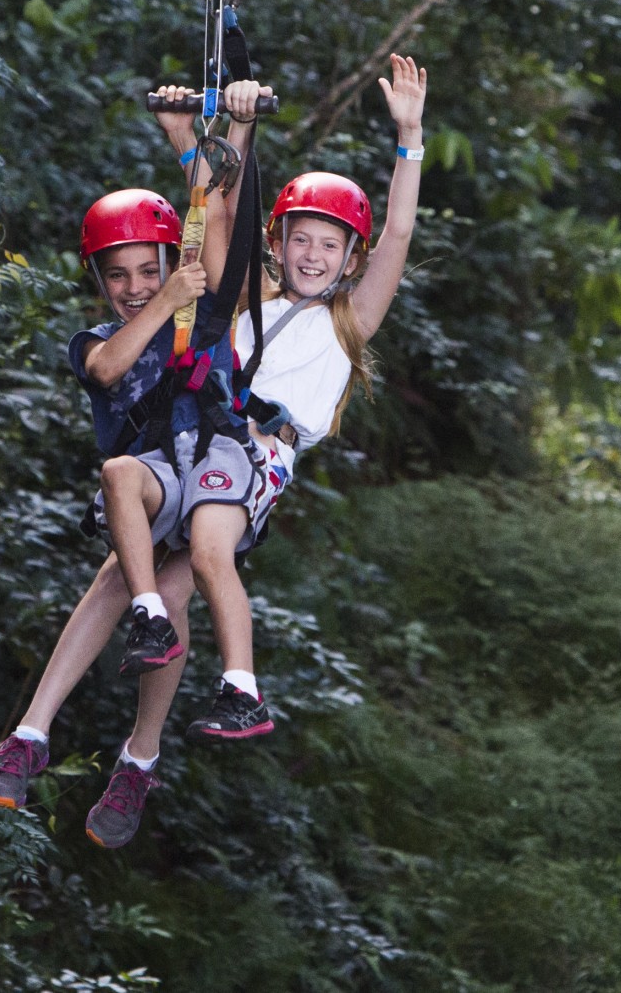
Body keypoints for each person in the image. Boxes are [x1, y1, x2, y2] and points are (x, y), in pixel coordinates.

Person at [97, 53, 427, 749]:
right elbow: (218, 218)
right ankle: (144, 693)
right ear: (276, 244)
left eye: (328, 245)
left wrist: (409, 138)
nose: (312, 255)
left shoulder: (346, 325)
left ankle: (242, 688)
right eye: (299, 239)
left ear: (351, 261)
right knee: (145, 541)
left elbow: (398, 232)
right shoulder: (247, 302)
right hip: (202, 441)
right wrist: (202, 136)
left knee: (213, 551)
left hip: (259, 455)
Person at [0, 95, 247, 847]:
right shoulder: (100, 337)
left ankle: (135, 757)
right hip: (153, 481)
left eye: (145, 269)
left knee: (171, 583)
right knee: (129, 569)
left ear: (169, 260)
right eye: (116, 275)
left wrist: (191, 137)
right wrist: (167, 294)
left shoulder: (206, 322)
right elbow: (108, 371)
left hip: (215, 478)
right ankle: (35, 736)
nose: (131, 286)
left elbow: (216, 216)